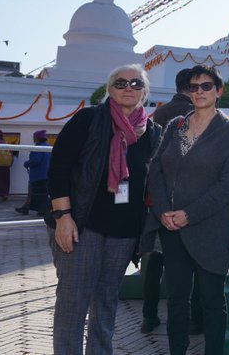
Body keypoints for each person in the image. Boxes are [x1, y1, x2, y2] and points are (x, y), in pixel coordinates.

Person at [46, 64, 161, 355]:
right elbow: (58, 167)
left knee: (107, 302)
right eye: (120, 82)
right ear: (109, 89)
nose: (128, 88)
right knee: (73, 302)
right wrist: (63, 217)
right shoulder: (89, 120)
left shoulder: (152, 132)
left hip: (123, 232)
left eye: (136, 83)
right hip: (83, 226)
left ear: (144, 92)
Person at [145, 65, 229, 355]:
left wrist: (189, 214)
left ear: (218, 91)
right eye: (194, 86)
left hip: (211, 229)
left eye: (206, 86)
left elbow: (228, 186)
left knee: (212, 301)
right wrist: (163, 211)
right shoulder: (176, 125)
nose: (199, 91)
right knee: (177, 301)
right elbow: (156, 171)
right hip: (172, 227)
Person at [139, 67, 199, 335]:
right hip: (188, 203)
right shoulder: (198, 116)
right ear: (191, 87)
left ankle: (149, 316)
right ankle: (194, 321)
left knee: (155, 261)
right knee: (192, 263)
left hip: (157, 201)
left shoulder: (159, 113)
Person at [16, 130, 51, 215]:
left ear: (38, 138)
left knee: (35, 192)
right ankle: (26, 207)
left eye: (34, 137)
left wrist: (26, 163)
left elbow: (35, 160)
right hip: (46, 174)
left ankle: (41, 210)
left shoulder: (38, 148)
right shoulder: (48, 146)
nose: (33, 138)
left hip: (37, 175)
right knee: (41, 193)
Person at [0, 129, 17, 201]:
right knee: (5, 180)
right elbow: (11, 155)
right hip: (6, 166)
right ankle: (5, 194)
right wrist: (10, 163)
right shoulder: (6, 143)